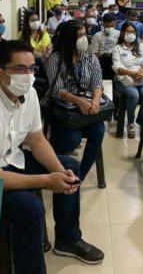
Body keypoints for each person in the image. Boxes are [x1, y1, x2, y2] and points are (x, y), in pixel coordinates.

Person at [0, 40, 104, 271]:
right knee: (30, 209)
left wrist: (59, 172)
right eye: (20, 69)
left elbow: (36, 140)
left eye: (31, 68)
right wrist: (46, 180)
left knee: (69, 167)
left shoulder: (29, 95)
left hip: (5, 160)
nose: (28, 75)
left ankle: (67, 239)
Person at [44, 21, 106, 183]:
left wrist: (95, 101)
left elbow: (97, 84)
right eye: (79, 36)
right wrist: (77, 101)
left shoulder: (90, 58)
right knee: (72, 138)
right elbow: (57, 89)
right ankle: (57, 168)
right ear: (69, 38)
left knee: (98, 131)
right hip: (61, 108)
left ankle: (80, 175)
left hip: (86, 107)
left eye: (84, 35)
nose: (84, 39)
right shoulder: (55, 58)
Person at [112, 21, 143, 139]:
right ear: (122, 33)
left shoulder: (141, 46)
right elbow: (117, 67)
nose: (130, 34)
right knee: (134, 95)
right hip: (124, 79)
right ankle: (130, 122)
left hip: (141, 78)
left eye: (133, 32)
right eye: (128, 31)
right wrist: (132, 74)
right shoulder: (118, 48)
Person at [88, 13, 119, 80]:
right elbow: (94, 53)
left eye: (112, 26)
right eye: (107, 26)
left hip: (116, 60)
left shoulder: (119, 34)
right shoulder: (97, 36)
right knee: (106, 57)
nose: (110, 28)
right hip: (103, 61)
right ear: (103, 24)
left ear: (115, 24)